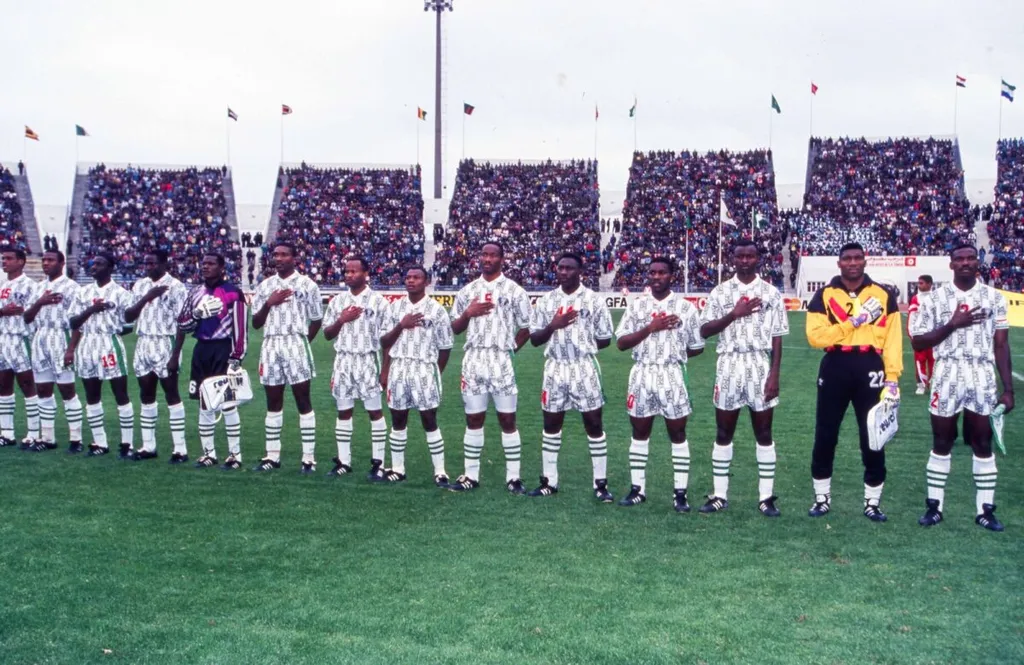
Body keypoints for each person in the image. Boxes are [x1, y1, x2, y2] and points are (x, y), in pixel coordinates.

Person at [909, 244, 1014, 531]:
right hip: (947, 372)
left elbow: (1001, 345)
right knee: (942, 441)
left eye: (970, 258)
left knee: (982, 442)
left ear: (977, 262)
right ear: (951, 264)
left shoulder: (994, 298)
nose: (966, 262)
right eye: (959, 259)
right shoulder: (934, 299)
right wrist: (953, 324)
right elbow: (918, 342)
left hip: (981, 373)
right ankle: (934, 507)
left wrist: (1008, 389)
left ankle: (985, 510)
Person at [805, 242, 902, 521]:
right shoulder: (824, 294)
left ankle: (872, 502)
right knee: (825, 433)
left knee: (872, 435)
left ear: (865, 261)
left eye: (857, 258)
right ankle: (821, 498)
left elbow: (894, 340)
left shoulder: (883, 294)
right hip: (835, 365)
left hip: (871, 366)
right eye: (847, 258)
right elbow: (816, 337)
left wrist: (892, 378)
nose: (852, 262)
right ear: (839, 263)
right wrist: (854, 322)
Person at [698, 239, 788, 516]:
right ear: (733, 260)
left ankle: (766, 497)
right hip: (728, 365)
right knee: (724, 432)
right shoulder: (720, 291)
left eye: (750, 256)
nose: (745, 260)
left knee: (764, 433)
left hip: (759, 365)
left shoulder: (771, 293)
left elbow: (777, 338)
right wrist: (733, 314)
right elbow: (704, 330)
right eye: (740, 256)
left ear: (758, 259)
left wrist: (774, 375)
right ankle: (719, 495)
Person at [614, 257, 704, 510]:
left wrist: (673, 353)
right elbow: (621, 343)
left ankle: (680, 493)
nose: (656, 277)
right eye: (652, 272)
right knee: (640, 433)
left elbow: (696, 347)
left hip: (672, 375)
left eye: (662, 273)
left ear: (671, 276)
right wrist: (650, 328)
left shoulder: (686, 308)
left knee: (678, 433)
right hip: (642, 374)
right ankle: (637, 489)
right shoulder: (637, 306)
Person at [527, 252, 615, 501]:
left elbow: (606, 337)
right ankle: (548, 481)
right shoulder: (546, 301)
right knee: (551, 425)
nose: (563, 272)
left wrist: (581, 344)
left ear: (580, 272)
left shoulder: (593, 300)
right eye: (560, 267)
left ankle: (600, 484)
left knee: (594, 425)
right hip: (555, 367)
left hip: (583, 367)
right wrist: (553, 326)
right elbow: (534, 339)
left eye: (569, 268)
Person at [447, 242, 531, 493]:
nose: (487, 258)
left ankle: (513, 477)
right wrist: (468, 313)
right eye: (484, 254)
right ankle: (470, 475)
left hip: (501, 360)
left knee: (508, 419)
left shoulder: (515, 291)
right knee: (473, 419)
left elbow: (527, 327)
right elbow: (454, 328)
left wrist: (510, 350)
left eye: (493, 255)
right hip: (473, 359)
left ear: (502, 259)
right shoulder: (468, 291)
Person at [378, 266, 454, 485]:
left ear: (426, 281)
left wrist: (435, 372)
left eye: (416, 277)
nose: (411, 281)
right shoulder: (394, 308)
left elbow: (446, 346)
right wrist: (401, 326)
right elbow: (384, 342)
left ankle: (440, 470)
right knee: (398, 420)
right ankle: (398, 468)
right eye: (408, 277)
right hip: (399, 368)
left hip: (424, 368)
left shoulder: (436, 310)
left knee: (429, 419)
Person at [251, 243, 322, 472]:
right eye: (276, 255)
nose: (279, 258)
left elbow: (316, 319)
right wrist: (268, 304)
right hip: (271, 343)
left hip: (295, 342)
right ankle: (272, 455)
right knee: (273, 402)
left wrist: (302, 344)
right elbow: (255, 323)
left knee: (303, 401)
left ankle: (308, 458)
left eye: (284, 254)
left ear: (294, 258)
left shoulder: (307, 285)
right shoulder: (265, 286)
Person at [321, 257, 389, 479]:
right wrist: (341, 320)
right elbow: (327, 334)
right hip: (343, 360)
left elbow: (387, 339)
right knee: (343, 410)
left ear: (365, 273)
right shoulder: (337, 301)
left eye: (354, 271)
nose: (349, 275)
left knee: (374, 411)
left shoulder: (378, 302)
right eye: (346, 271)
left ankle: (379, 461)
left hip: (368, 359)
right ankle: (343, 461)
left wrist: (385, 369)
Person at [180, 253, 248, 469]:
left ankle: (235, 455)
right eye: (204, 263)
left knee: (228, 404)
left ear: (221, 268)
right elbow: (183, 325)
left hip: (223, 350)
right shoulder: (195, 292)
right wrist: (197, 315)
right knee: (204, 403)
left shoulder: (233, 293)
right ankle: (208, 453)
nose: (205, 266)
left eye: (211, 264)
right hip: (201, 350)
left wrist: (236, 358)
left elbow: (241, 328)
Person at [65, 252, 136, 457]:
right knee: (92, 395)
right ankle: (99, 443)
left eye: (99, 263)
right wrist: (92, 310)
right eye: (92, 263)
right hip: (86, 345)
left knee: (120, 394)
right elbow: (73, 323)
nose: (93, 266)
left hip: (109, 344)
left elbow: (129, 325)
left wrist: (109, 329)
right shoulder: (83, 292)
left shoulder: (121, 293)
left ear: (110, 267)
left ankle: (126, 444)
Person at [124, 251, 189, 461]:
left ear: (163, 263)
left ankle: (180, 449)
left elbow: (182, 323)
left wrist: (175, 354)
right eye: (146, 262)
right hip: (143, 341)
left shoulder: (176, 287)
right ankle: (148, 446)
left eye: (152, 263)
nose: (148, 266)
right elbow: (128, 315)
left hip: (164, 341)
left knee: (171, 393)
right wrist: (147, 297)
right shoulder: (140, 285)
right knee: (146, 394)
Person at [23, 250, 84, 452]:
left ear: (62, 263)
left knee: (67, 390)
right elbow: (27, 318)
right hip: (41, 338)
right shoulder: (39, 287)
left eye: (50, 260)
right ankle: (47, 438)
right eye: (44, 260)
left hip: (61, 337)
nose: (46, 263)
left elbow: (78, 322)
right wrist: (40, 302)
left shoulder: (72, 288)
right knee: (42, 390)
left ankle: (76, 439)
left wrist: (71, 349)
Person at [0, 248, 41, 448]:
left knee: (27, 385)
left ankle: (33, 432)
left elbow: (33, 313)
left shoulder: (30, 286)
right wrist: (3, 311)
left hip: (21, 338)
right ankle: (6, 433)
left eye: (9, 258)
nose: (4, 262)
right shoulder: (3, 284)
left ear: (21, 262)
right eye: (3, 259)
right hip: (3, 339)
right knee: (3, 386)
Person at [907, 275, 935, 395]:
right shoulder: (916, 298)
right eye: (918, 283)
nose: (919, 285)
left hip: (935, 335)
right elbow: (911, 318)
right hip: (920, 335)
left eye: (921, 283)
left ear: (929, 284)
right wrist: (912, 335)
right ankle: (921, 385)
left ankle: (934, 384)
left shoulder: (937, 297)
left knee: (934, 361)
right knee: (920, 360)